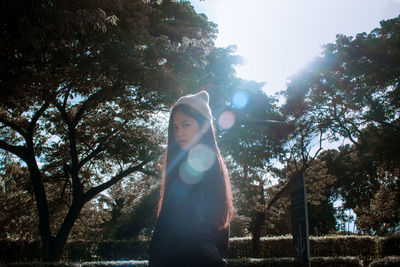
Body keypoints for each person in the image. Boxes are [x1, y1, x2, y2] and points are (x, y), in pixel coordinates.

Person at [149, 91, 234, 267]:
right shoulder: (212, 165)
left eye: (186, 124)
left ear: (203, 126)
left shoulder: (196, 165)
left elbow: (174, 229)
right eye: (175, 127)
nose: (179, 132)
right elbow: (221, 240)